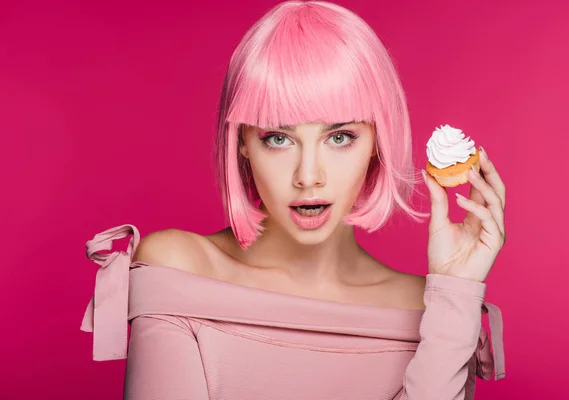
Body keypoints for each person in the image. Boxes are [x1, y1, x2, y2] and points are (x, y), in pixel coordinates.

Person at [81, 1, 507, 399]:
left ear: (378, 141)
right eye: (278, 138)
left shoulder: (430, 307)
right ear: (243, 142)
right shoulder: (178, 266)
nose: (308, 177)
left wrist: (457, 290)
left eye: (340, 137)